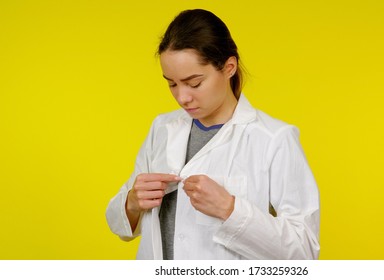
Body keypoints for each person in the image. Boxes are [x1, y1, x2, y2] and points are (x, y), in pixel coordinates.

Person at [106, 9, 320, 260]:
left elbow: (304, 250)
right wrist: (132, 203)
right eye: (172, 84)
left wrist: (230, 209)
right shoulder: (162, 128)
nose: (182, 97)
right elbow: (120, 226)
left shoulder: (274, 139)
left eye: (194, 83)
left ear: (229, 67)